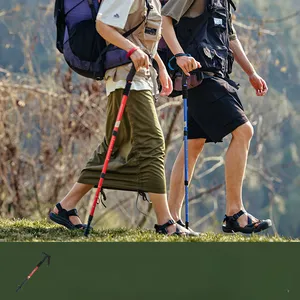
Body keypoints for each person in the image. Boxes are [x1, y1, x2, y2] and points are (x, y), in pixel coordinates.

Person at [49, 0, 195, 236]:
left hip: (141, 77)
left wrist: (160, 66)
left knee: (114, 145)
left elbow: (143, 37)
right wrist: (132, 50)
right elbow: (103, 25)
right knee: (152, 144)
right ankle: (166, 222)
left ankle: (65, 206)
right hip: (124, 76)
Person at [161, 0, 272, 233]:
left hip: (214, 75)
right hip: (200, 77)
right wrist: (179, 55)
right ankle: (234, 211)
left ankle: (170, 220)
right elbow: (165, 20)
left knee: (192, 145)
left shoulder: (222, 2)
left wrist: (251, 72)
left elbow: (231, 39)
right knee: (244, 131)